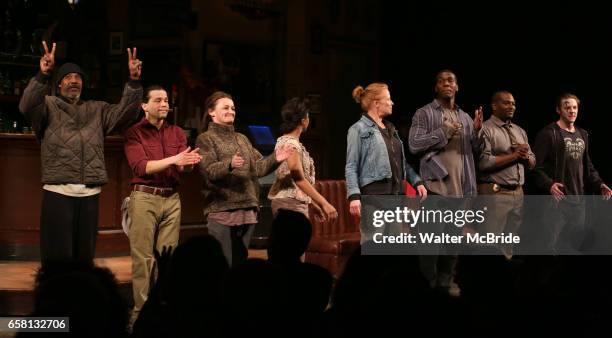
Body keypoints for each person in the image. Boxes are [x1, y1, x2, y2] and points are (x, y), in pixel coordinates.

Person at [19, 41, 143, 267]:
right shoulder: (47, 106)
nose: (74, 80)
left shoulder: (97, 109)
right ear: (58, 85)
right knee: (57, 259)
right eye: (68, 77)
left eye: (78, 77)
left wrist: (133, 82)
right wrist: (42, 75)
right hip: (58, 192)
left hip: (89, 195)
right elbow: (26, 106)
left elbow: (126, 114)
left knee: (84, 259)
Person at [123, 85, 202, 323]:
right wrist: (175, 159)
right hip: (145, 197)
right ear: (144, 106)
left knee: (167, 258)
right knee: (143, 259)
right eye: (158, 100)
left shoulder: (177, 132)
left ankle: (162, 311)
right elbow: (142, 167)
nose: (164, 104)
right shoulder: (134, 133)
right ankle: (140, 315)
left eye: (166, 100)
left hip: (171, 198)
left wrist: (189, 162)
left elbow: (182, 167)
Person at [196, 91, 295, 266]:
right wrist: (229, 164)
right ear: (211, 112)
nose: (231, 111)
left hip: (247, 208)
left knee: (240, 264)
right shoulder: (205, 139)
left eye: (233, 108)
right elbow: (209, 171)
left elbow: (258, 168)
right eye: (225, 107)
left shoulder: (242, 138)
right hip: (222, 209)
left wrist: (275, 159)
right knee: (223, 264)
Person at [408, 70, 483, 293]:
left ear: (457, 87)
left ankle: (444, 288)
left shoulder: (465, 117)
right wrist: (444, 131)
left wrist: (477, 132)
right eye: (441, 81)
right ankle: (426, 290)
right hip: (435, 189)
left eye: (450, 81)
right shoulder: (424, 113)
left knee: (451, 246)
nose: (446, 84)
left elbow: (475, 151)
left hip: (459, 191)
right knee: (429, 246)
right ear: (436, 88)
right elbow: (414, 144)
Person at [345, 82, 427, 241]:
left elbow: (401, 163)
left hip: (395, 199)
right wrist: (354, 196)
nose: (392, 103)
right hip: (374, 200)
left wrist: (417, 182)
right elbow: (351, 166)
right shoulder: (358, 129)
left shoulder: (391, 129)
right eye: (388, 99)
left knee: (393, 252)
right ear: (376, 103)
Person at [532, 93, 611, 253]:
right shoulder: (549, 134)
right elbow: (535, 167)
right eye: (567, 107)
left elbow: (587, 165)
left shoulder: (583, 134)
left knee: (573, 248)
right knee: (551, 248)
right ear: (558, 110)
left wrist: (599, 183)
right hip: (557, 203)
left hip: (579, 202)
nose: (572, 111)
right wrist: (549, 185)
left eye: (574, 107)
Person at [477, 91, 535, 256]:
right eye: (506, 103)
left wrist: (525, 157)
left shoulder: (519, 130)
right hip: (495, 192)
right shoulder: (486, 129)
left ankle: (505, 279)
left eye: (514, 104)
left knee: (509, 245)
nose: (512, 107)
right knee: (490, 244)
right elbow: (484, 163)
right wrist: (515, 155)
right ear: (494, 106)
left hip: (518, 192)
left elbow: (532, 162)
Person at [268, 97, 338, 223]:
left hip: (292, 203)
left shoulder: (290, 142)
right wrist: (324, 203)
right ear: (304, 121)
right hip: (289, 205)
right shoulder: (291, 144)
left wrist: (312, 204)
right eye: (308, 116)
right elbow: (298, 178)